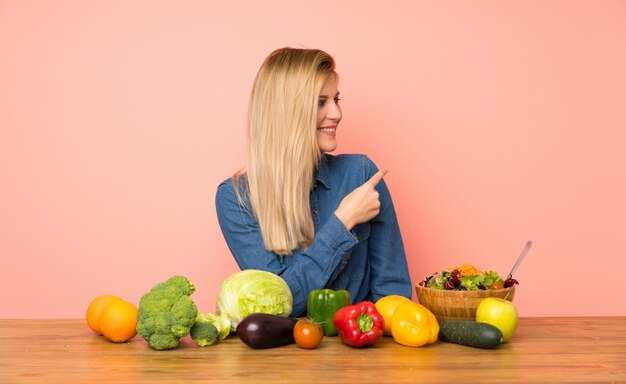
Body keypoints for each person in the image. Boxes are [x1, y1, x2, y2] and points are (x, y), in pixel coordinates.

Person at [215, 47, 412, 317]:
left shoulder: (362, 175)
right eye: (321, 102)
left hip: (360, 350)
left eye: (336, 99)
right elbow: (282, 305)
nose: (337, 113)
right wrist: (342, 223)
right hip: (283, 356)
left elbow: (392, 296)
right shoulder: (236, 199)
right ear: (287, 112)